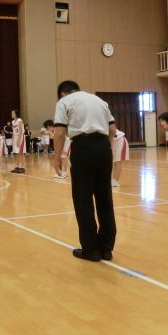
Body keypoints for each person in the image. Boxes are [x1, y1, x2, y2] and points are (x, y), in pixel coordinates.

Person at [53, 80, 116, 262]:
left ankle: (91, 249)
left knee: (83, 199)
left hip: (83, 147)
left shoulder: (64, 102)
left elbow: (59, 133)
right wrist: (104, 148)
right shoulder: (99, 100)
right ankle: (106, 249)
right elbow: (112, 129)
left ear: (62, 93)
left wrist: (57, 157)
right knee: (105, 198)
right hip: (104, 147)